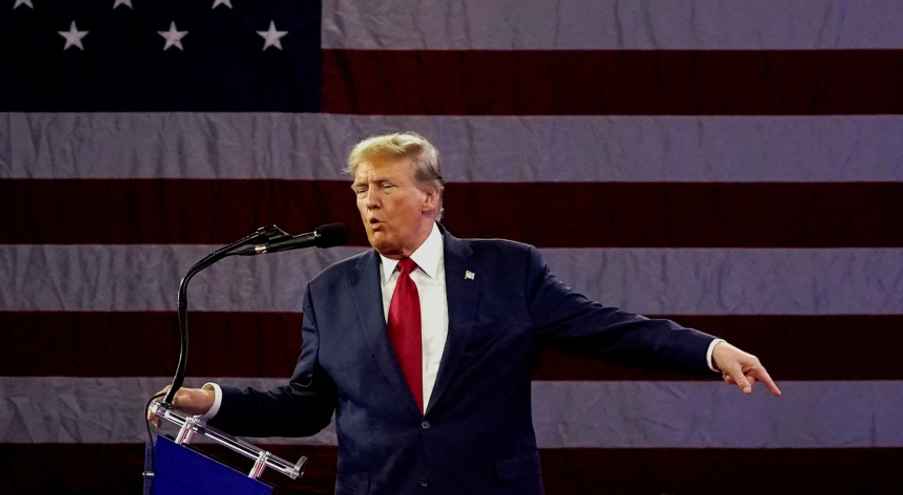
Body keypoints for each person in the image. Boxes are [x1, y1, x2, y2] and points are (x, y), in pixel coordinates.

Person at [158, 132, 781, 495]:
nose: (369, 202)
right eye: (360, 189)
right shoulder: (331, 291)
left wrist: (709, 350)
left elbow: (607, 329)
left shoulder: (508, 269)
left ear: (430, 197)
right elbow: (307, 406)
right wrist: (213, 401)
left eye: (385, 186)